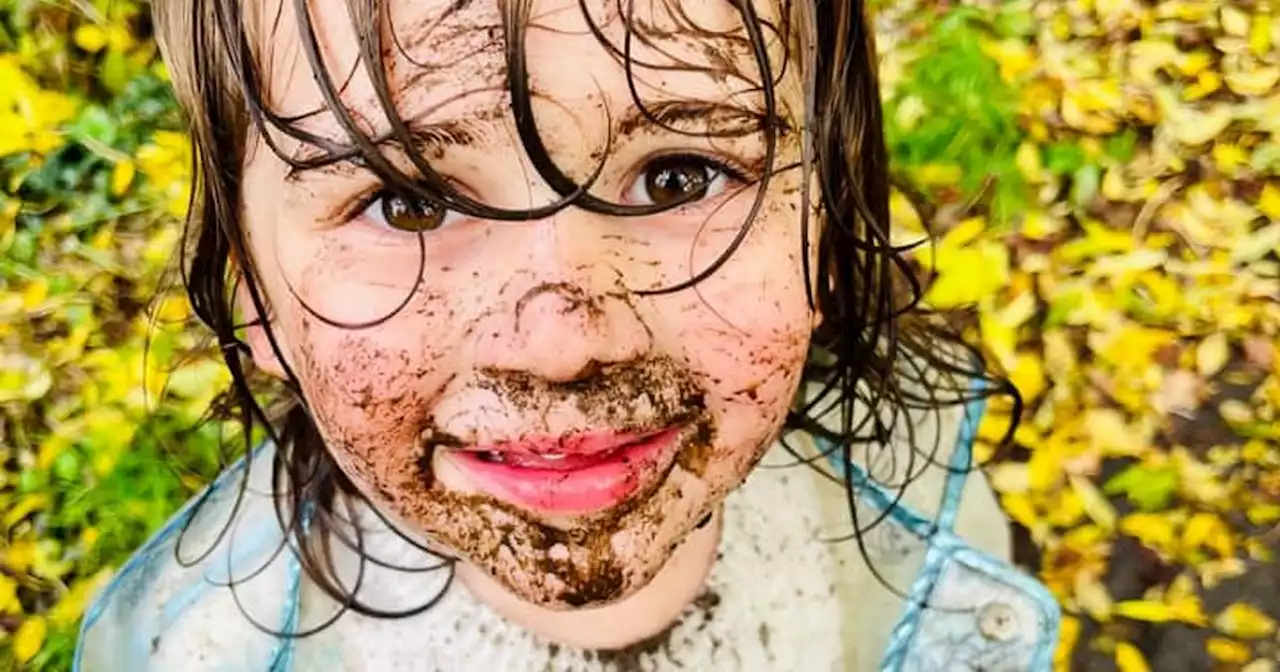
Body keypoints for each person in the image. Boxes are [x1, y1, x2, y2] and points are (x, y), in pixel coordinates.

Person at [74, 0, 1060, 669]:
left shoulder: (933, 489)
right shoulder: (185, 648)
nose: (559, 344)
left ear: (823, 229)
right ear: (255, 295)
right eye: (406, 204)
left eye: (679, 176)